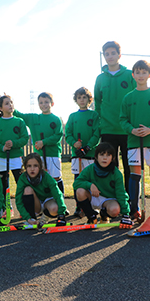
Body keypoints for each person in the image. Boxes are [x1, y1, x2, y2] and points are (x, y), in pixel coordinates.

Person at [119, 60, 150, 221]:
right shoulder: (128, 98)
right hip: (134, 142)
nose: (140, 75)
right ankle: (134, 209)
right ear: (133, 75)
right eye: (137, 72)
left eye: (144, 72)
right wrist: (132, 130)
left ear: (149, 74)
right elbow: (122, 119)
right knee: (135, 175)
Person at [94, 41, 136, 192]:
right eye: (107, 54)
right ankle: (112, 197)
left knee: (129, 166)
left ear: (119, 55)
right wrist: (100, 123)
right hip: (108, 129)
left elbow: (135, 98)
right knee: (110, 166)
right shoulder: (100, 78)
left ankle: (131, 200)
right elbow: (98, 103)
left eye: (113, 53)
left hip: (127, 129)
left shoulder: (129, 75)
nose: (110, 56)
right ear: (104, 56)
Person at [13, 92, 65, 194]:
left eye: (46, 102)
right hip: (39, 155)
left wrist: (44, 142)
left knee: (56, 178)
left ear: (52, 104)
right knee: (40, 178)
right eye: (41, 102)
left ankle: (61, 203)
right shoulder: (33, 118)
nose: (43, 104)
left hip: (53, 154)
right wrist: (10, 104)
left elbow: (58, 136)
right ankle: (43, 203)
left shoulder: (56, 119)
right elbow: (18, 114)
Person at [73, 143, 132, 227]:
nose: (105, 158)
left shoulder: (116, 173)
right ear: (96, 157)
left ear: (113, 158)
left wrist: (126, 215)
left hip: (108, 200)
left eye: (108, 155)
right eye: (101, 155)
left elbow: (121, 194)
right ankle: (91, 217)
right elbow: (76, 183)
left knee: (115, 210)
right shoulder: (90, 169)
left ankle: (104, 214)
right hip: (92, 196)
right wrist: (90, 185)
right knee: (80, 191)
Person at [64, 87, 100, 217]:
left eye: (84, 97)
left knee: (91, 179)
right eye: (79, 97)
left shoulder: (94, 115)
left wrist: (88, 147)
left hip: (90, 155)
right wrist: (74, 143)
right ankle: (79, 206)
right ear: (76, 100)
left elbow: (96, 133)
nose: (82, 100)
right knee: (78, 180)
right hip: (77, 155)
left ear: (89, 100)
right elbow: (67, 133)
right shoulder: (73, 116)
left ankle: (92, 206)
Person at [0, 94, 29, 199]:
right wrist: (2, 147)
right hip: (0, 158)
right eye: (7, 103)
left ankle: (23, 207)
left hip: (16, 158)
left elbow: (24, 138)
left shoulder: (19, 121)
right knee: (3, 185)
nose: (10, 105)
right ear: (0, 108)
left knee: (21, 183)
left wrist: (14, 144)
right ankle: (6, 208)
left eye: (11, 102)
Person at [15, 153, 68, 226]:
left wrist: (61, 214)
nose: (32, 169)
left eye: (35, 166)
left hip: (48, 201)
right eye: (29, 166)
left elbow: (58, 194)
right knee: (27, 189)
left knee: (55, 209)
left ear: (40, 167)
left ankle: (45, 217)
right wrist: (27, 217)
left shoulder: (46, 176)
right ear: (25, 167)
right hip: (36, 204)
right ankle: (32, 219)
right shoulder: (22, 178)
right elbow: (18, 200)